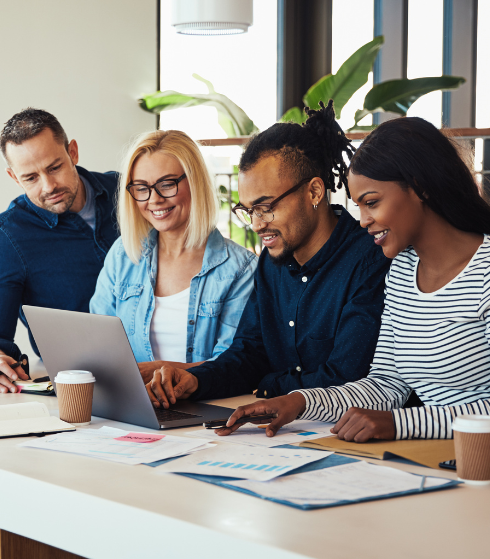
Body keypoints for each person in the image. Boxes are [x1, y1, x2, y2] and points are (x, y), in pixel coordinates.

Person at [218, 116, 490, 454]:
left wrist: (399, 424)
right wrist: (300, 402)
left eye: (371, 202)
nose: (363, 220)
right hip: (471, 459)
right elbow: (387, 384)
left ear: (419, 188)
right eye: (358, 205)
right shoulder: (403, 270)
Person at [146, 103, 389, 407]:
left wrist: (270, 383)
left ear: (314, 192)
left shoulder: (370, 261)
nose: (258, 224)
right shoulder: (270, 264)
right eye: (249, 210)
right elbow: (249, 354)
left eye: (266, 208)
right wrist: (196, 380)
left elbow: (345, 378)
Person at [0, 108, 119, 393]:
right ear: (13, 176)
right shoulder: (5, 237)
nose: (49, 186)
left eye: (54, 167)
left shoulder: (130, 192)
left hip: (171, 369)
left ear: (72, 152)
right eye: (31, 178)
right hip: (82, 386)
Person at [89, 131, 257, 380]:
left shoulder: (241, 268)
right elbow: (97, 342)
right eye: (142, 188)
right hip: (131, 405)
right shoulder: (123, 256)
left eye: (167, 184)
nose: (154, 199)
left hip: (204, 407)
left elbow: (231, 363)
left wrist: (158, 370)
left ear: (195, 182)